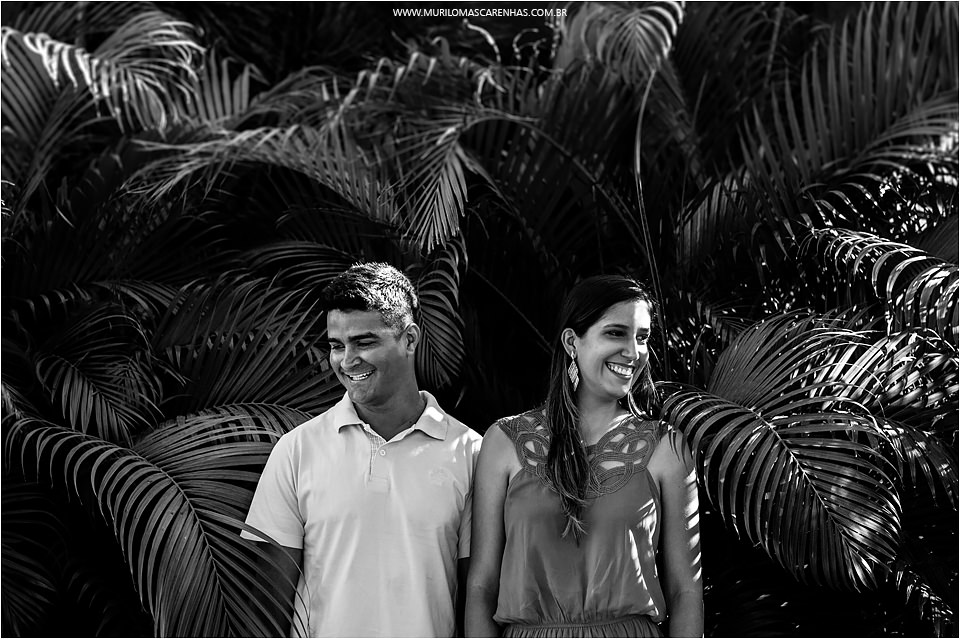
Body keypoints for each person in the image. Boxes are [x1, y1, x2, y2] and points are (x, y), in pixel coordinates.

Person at [242, 262, 482, 638]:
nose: (346, 360)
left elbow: (476, 596)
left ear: (410, 339)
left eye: (364, 342)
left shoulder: (469, 453)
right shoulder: (296, 450)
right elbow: (267, 607)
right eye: (336, 345)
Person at [466, 275, 703, 638]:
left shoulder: (667, 448)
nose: (633, 351)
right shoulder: (503, 442)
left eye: (642, 337)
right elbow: (481, 587)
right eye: (616, 333)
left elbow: (686, 591)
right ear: (571, 342)